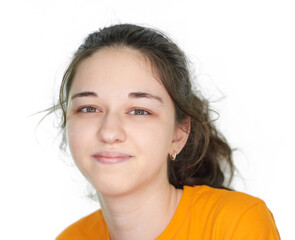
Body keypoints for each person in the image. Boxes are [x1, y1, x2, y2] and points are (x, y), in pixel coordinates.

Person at [40, 24, 280, 239]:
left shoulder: (235, 224)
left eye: (139, 111)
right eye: (89, 108)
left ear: (178, 135)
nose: (109, 132)